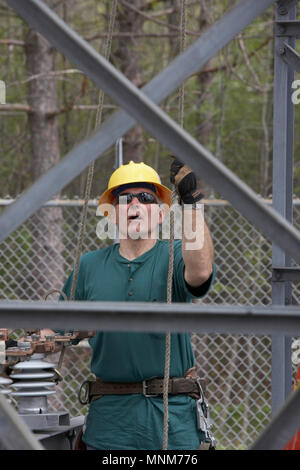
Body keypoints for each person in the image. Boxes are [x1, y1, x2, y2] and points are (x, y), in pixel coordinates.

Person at [45, 158, 216, 450]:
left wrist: (191, 204)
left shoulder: (175, 256)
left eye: (146, 197)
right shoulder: (90, 266)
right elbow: (54, 331)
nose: (135, 203)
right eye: (125, 198)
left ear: (161, 214)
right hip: (110, 423)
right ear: (112, 213)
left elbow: (200, 271)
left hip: (171, 420)